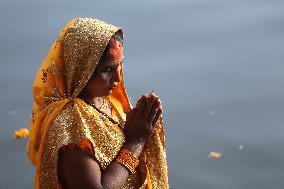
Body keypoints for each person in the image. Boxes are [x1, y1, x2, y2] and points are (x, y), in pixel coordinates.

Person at [27, 18, 168, 189]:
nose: (118, 78)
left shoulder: (105, 99)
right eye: (107, 70)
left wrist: (132, 128)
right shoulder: (71, 121)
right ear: (81, 70)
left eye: (120, 66)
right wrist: (136, 141)